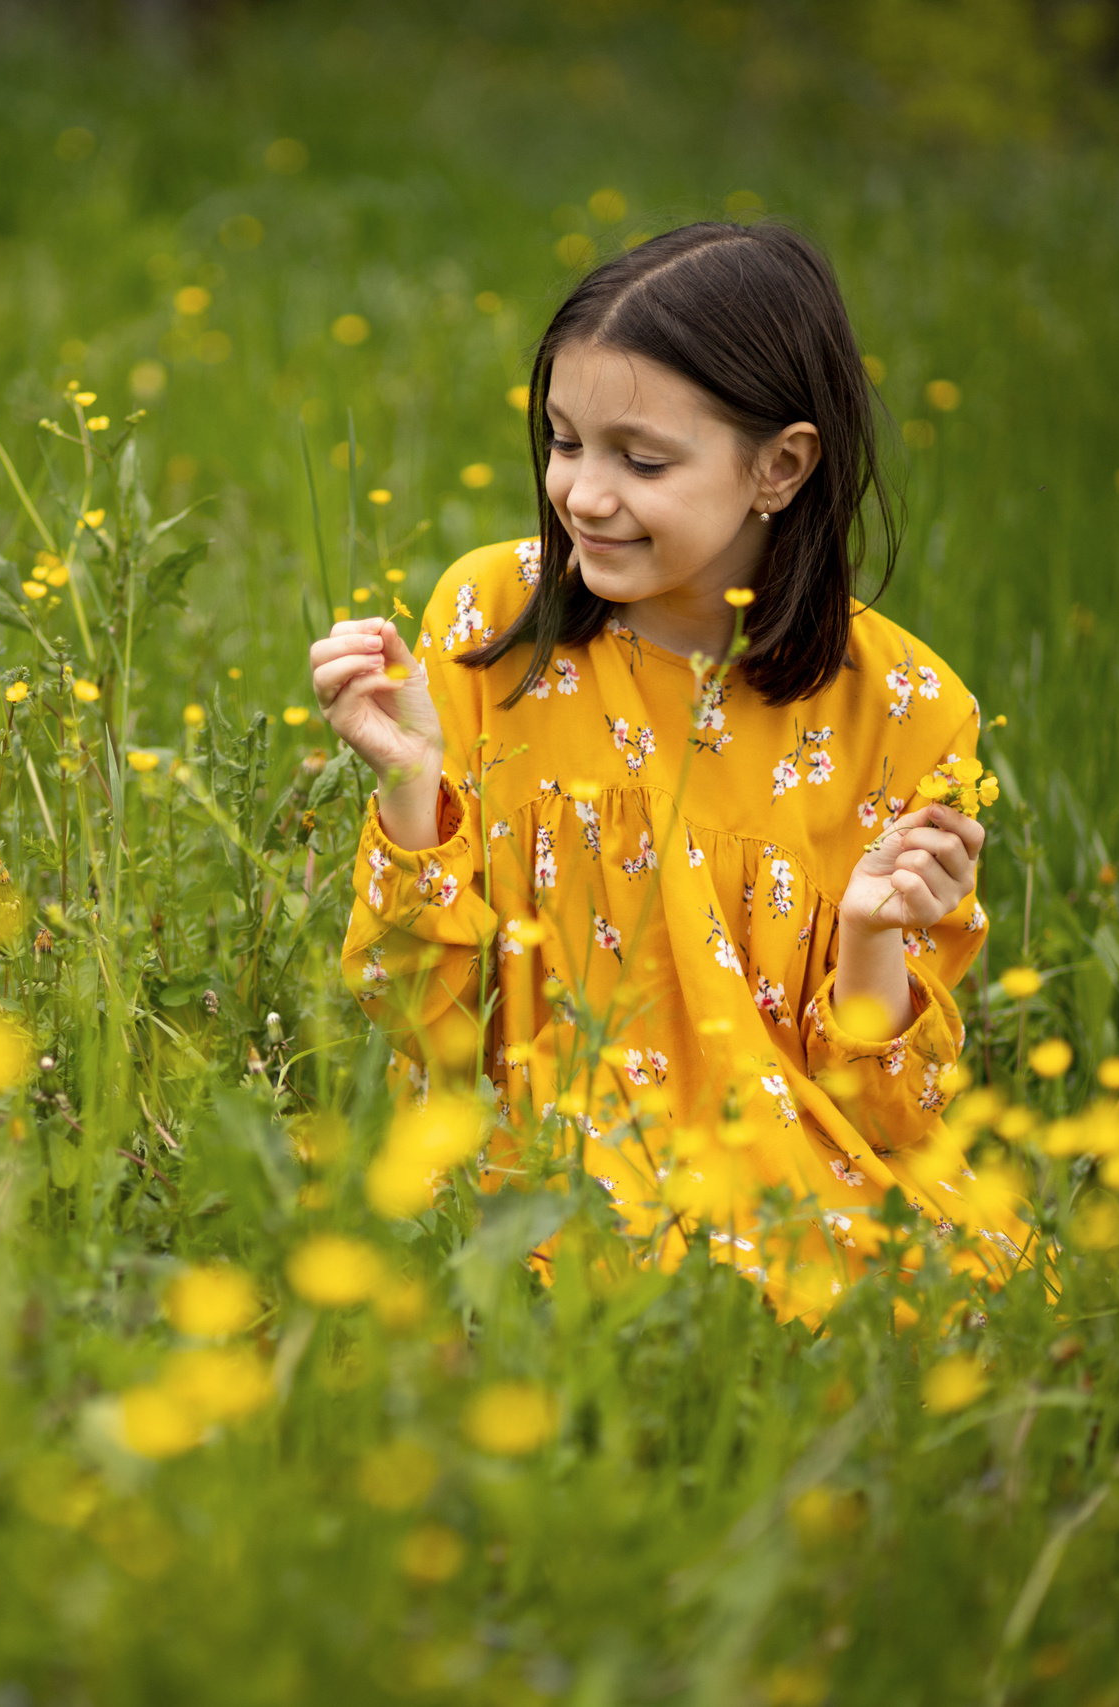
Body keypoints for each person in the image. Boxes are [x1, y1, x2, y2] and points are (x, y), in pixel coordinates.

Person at [311, 221, 1034, 1324]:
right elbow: (418, 1024)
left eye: (640, 460)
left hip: (794, 1175)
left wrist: (874, 938)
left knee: (936, 1297)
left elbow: (894, 1114)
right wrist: (411, 789)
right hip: (540, 1166)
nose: (582, 496)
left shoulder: (904, 710)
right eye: (562, 442)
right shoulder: (494, 622)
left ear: (780, 467)